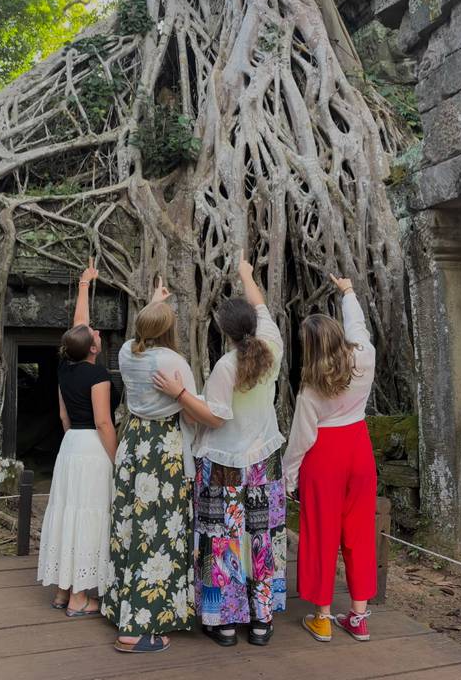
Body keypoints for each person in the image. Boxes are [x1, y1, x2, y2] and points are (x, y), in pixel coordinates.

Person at [154, 253, 286, 648]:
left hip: (224, 467)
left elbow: (213, 417)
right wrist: (247, 273)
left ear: (224, 332)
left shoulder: (227, 366)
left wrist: (178, 393)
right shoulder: (272, 346)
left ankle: (223, 623)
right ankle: (262, 621)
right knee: (261, 537)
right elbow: (260, 305)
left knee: (221, 540)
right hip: (264, 462)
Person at [101, 278, 219, 656]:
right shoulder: (172, 361)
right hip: (162, 450)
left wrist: (156, 302)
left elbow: (145, 332)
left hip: (134, 443)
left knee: (133, 525)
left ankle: (122, 604)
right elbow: (197, 411)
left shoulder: (124, 352)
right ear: (169, 330)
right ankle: (139, 626)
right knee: (160, 531)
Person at [282, 274, 377, 644]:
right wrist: (349, 292)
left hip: (324, 457)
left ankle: (322, 617)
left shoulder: (311, 387)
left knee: (321, 534)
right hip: (359, 450)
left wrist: (290, 478)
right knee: (358, 534)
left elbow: (300, 440)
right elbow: (359, 325)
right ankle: (358, 616)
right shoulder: (364, 358)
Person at [37, 263, 119, 616]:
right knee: (89, 516)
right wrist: (117, 460)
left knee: (68, 513)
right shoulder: (97, 374)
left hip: (70, 446)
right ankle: (80, 598)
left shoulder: (65, 366)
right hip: (92, 447)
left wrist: (84, 283)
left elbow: (63, 417)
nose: (97, 332)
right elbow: (104, 421)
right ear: (93, 349)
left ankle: (61, 590)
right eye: (95, 335)